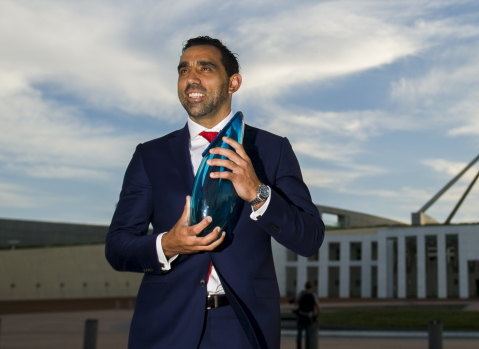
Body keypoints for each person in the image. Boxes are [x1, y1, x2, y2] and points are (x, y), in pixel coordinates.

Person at [105, 36, 325, 349]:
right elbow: (117, 247)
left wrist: (258, 193)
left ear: (233, 82)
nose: (190, 78)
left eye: (204, 68)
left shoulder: (272, 150)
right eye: (183, 70)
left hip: (243, 327)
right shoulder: (150, 155)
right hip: (165, 327)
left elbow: (310, 238)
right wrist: (166, 244)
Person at [294, 282, 320, 349]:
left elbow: (296, 303)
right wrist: (316, 315)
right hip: (309, 316)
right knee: (308, 335)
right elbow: (317, 307)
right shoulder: (313, 294)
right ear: (311, 287)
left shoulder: (301, 293)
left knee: (299, 334)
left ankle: (299, 347)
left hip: (301, 316)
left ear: (305, 287)